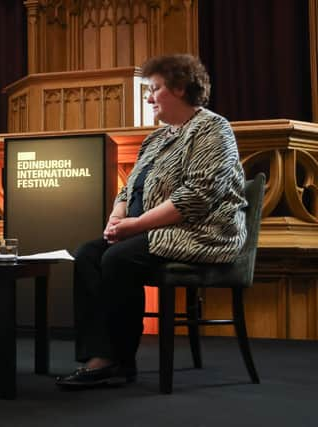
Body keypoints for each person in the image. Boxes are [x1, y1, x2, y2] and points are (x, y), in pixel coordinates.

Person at [56, 54, 247, 388]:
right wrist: (117, 218)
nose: (147, 98)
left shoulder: (213, 128)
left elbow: (196, 196)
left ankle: (118, 361)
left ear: (180, 89)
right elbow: (129, 188)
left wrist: (138, 224)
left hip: (199, 232)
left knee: (118, 257)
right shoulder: (157, 138)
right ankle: (99, 356)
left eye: (154, 89)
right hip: (152, 229)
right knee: (88, 253)